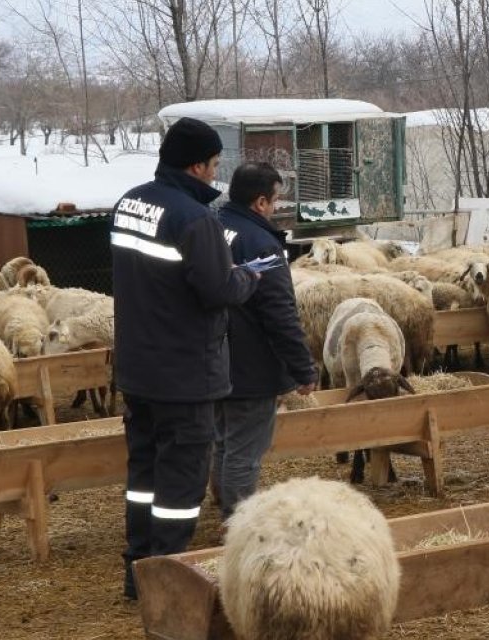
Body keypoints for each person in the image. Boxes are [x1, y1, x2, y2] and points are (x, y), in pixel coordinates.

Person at [112, 116, 259, 600]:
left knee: (144, 475)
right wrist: (247, 277)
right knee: (181, 482)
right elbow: (218, 290)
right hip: (185, 373)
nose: (216, 174)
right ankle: (167, 579)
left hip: (138, 368)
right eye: (214, 164)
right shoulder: (196, 220)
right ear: (196, 166)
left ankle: (138, 570)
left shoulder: (129, 204)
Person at [213, 162, 318, 520]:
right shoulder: (261, 244)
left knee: (224, 442)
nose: (275, 207)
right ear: (260, 202)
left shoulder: (215, 227)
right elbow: (279, 313)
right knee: (244, 452)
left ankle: (224, 507)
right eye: (274, 200)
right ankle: (238, 523)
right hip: (251, 366)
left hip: (215, 358)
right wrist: (302, 368)